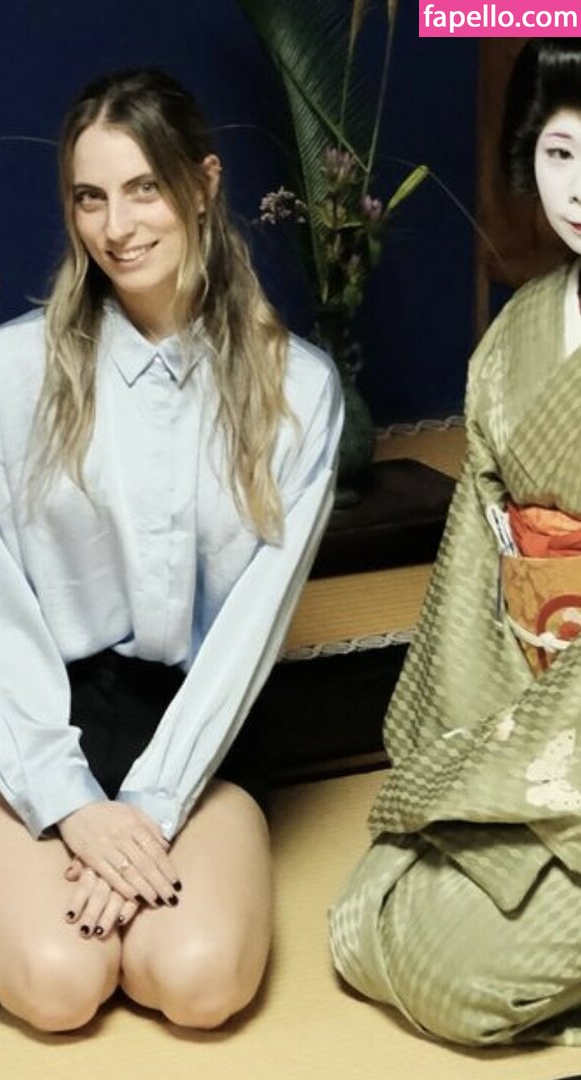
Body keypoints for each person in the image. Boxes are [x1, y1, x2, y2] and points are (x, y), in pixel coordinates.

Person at [0, 68, 342, 1033]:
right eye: (90, 197)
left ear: (203, 185)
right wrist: (69, 803)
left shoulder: (299, 390)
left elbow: (248, 638)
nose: (117, 226)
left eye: (144, 189)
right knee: (58, 982)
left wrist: (150, 804)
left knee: (199, 980)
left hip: (192, 721)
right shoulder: (16, 368)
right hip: (19, 710)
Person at [329, 38, 581, 1047]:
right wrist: (479, 753)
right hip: (529, 703)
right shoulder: (520, 333)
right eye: (560, 154)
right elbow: (481, 568)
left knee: (454, 976)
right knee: (370, 909)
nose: (579, 187)